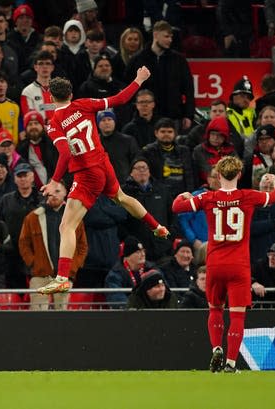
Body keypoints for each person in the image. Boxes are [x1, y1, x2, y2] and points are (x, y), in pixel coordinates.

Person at [38, 66, 169, 294]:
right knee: (122, 197)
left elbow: (66, 153)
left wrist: (54, 180)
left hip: (86, 173)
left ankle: (61, 277)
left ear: (50, 97)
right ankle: (156, 226)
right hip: (103, 165)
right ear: (70, 94)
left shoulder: (53, 123)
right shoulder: (85, 103)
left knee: (66, 225)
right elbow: (121, 98)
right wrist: (139, 79)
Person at [172, 157, 275, 373]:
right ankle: (231, 363)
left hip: (214, 263)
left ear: (218, 175)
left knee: (215, 309)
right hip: (239, 265)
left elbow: (177, 207)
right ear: (240, 175)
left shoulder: (208, 197)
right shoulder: (248, 196)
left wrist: (184, 195)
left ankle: (216, 348)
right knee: (237, 315)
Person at [19, 180, 87, 310]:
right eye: (51, 192)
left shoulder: (75, 217)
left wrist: (74, 266)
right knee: (38, 316)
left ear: (65, 193)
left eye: (58, 191)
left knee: (62, 316)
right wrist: (34, 263)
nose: (54, 195)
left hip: (64, 275)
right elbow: (24, 243)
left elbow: (82, 246)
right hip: (40, 275)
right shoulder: (33, 217)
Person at [125, 20, 194, 130]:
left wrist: (188, 115)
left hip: (173, 117)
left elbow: (188, 89)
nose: (170, 40)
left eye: (171, 37)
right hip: (145, 120)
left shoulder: (179, 60)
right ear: (155, 35)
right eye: (166, 36)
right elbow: (128, 89)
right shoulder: (137, 60)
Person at [104, 235, 156, 308]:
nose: (143, 254)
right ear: (127, 256)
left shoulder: (152, 269)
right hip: (129, 315)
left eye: (143, 251)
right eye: (138, 252)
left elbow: (166, 290)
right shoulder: (115, 275)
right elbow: (116, 298)